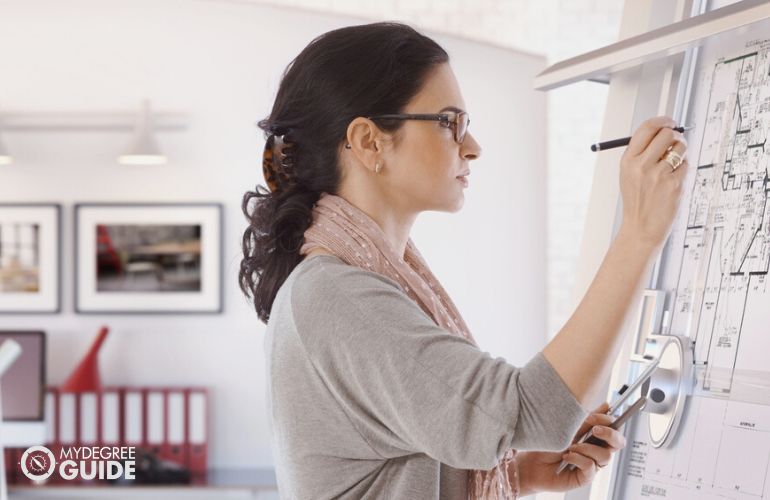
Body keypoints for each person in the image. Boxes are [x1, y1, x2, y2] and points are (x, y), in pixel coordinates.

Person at [239, 21, 688, 500]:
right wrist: (639, 233)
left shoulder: (345, 284)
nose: (472, 147)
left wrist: (517, 473)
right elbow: (537, 411)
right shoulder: (338, 297)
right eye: (451, 123)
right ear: (370, 142)